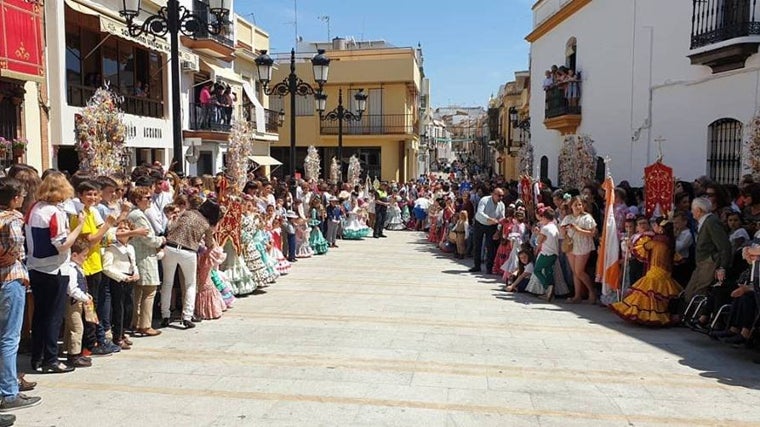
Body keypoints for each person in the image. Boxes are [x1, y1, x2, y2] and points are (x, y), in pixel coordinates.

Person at [26, 172, 84, 373]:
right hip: (54, 268)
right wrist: (78, 228)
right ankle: (51, 360)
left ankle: (38, 356)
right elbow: (62, 245)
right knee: (53, 315)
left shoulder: (34, 208)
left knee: (40, 315)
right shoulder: (54, 213)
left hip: (35, 266)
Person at [0, 177, 42, 413]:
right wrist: (12, 254)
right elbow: (16, 241)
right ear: (15, 198)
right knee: (9, 338)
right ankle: (8, 392)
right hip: (10, 278)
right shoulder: (13, 218)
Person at [610, 217, 682, 326]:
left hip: (654, 272)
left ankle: (649, 317)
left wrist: (632, 246)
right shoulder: (670, 241)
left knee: (647, 295)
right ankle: (659, 316)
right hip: (666, 274)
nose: (654, 228)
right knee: (658, 296)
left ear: (661, 228)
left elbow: (641, 248)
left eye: (656, 226)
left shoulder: (656, 241)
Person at [161, 199, 218, 329]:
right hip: (188, 252)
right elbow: (210, 244)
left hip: (170, 247)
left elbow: (172, 227)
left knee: (167, 282)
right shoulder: (206, 224)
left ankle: (165, 315)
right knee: (190, 284)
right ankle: (187, 316)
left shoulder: (188, 213)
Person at [682, 197, 732, 323]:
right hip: (701, 263)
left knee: (701, 290)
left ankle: (699, 318)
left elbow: (724, 245)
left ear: (699, 210)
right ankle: (690, 316)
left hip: (709, 262)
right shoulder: (705, 222)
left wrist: (722, 266)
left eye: (693, 210)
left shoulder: (711, 222)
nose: (692, 213)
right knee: (690, 290)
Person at [126, 186, 164, 337]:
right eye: (147, 198)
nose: (150, 201)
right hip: (144, 257)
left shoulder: (136, 214)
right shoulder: (138, 216)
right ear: (137, 200)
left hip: (140, 256)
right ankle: (145, 325)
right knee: (149, 291)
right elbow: (148, 238)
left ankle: (136, 322)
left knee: (139, 293)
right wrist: (161, 240)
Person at [102, 220, 139, 350]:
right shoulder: (112, 247)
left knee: (129, 308)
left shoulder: (130, 247)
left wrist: (136, 273)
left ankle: (123, 332)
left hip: (130, 278)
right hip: (118, 279)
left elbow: (133, 263)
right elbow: (106, 267)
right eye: (120, 228)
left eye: (126, 228)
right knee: (119, 308)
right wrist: (122, 277)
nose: (123, 230)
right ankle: (117, 336)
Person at [63, 238, 94, 368]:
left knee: (73, 327)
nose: (85, 258)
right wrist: (84, 297)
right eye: (84, 255)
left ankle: (73, 351)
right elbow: (72, 289)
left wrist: (86, 295)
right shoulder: (70, 268)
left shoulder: (77, 267)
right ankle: (73, 355)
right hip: (72, 302)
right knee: (76, 328)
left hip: (78, 301)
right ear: (74, 255)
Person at [562, 196, 598, 304]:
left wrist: (578, 229)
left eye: (580, 204)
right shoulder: (568, 218)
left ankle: (592, 291)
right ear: (571, 206)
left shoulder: (587, 218)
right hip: (571, 245)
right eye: (575, 205)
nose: (578, 207)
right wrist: (564, 230)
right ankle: (577, 296)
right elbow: (563, 233)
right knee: (575, 272)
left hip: (583, 245)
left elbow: (592, 233)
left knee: (579, 271)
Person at [469, 188, 505, 273]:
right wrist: (489, 219)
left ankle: (489, 268)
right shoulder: (484, 200)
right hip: (480, 223)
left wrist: (498, 231)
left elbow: (502, 219)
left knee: (490, 247)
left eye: (502, 196)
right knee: (477, 245)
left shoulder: (502, 205)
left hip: (492, 226)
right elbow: (480, 212)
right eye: (499, 195)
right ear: (493, 194)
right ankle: (477, 266)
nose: (501, 198)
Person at [534, 207, 560, 301]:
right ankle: (549, 294)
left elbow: (539, 241)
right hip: (554, 253)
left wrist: (538, 234)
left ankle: (548, 287)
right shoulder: (555, 227)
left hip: (546, 253)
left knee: (537, 270)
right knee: (549, 272)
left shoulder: (545, 228)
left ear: (545, 217)